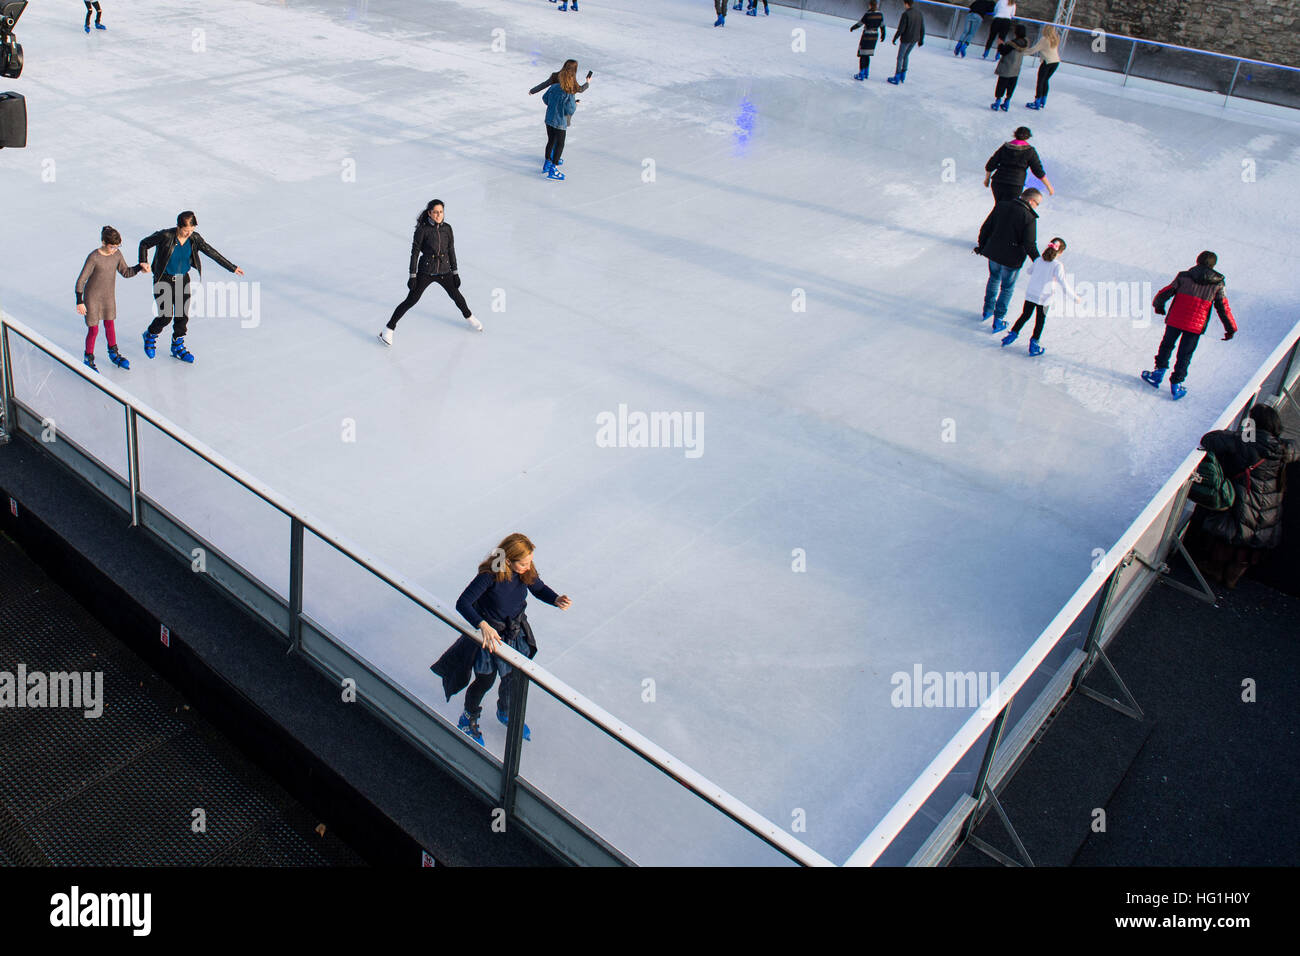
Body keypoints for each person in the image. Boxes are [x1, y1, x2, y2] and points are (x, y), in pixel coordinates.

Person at [430, 533, 572, 746]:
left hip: (513, 633)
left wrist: (555, 598)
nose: (528, 566)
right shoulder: (490, 576)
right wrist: (482, 625)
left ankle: (505, 712)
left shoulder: (525, 572)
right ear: (508, 560)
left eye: (530, 561)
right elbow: (463, 603)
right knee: (485, 680)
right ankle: (468, 718)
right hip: (490, 637)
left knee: (513, 675)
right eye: (523, 563)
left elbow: (538, 588)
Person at [1196, 404, 1298, 588]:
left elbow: (1210, 439)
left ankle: (1215, 569)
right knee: (1249, 549)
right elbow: (1294, 448)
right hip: (1269, 511)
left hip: (1244, 503)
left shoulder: (1244, 442)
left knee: (1229, 540)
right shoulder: (1284, 448)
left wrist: (1243, 433)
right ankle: (1231, 579)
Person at [138, 211, 243, 364]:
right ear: (178, 226)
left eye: (192, 229)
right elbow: (144, 243)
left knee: (182, 316)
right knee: (165, 316)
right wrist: (143, 262)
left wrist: (231, 267)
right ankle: (150, 335)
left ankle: (177, 346)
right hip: (163, 279)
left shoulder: (194, 238)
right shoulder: (165, 236)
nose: (189, 233)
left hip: (183, 280)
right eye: (186, 230)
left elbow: (211, 252)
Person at [380, 199, 481, 345]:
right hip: (426, 271)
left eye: (441, 212)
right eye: (435, 212)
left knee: (457, 297)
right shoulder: (422, 230)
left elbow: (451, 251)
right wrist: (412, 275)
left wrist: (455, 272)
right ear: (430, 213)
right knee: (411, 300)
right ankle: (388, 330)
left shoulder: (447, 228)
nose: (439, 215)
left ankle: (470, 318)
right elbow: (414, 253)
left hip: (444, 270)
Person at [1141, 251, 1236, 401]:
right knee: (1185, 354)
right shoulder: (1218, 284)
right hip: (1195, 326)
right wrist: (1230, 329)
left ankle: (1158, 373)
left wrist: (1158, 305)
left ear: (1197, 261)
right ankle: (1176, 384)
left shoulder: (1184, 276)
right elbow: (1223, 307)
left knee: (1166, 345)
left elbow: (1166, 292)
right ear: (1213, 265)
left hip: (1176, 319)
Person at [76, 226, 142, 372]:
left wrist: (139, 267)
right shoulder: (94, 257)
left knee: (110, 325)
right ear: (104, 242)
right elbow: (81, 280)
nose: (114, 250)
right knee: (93, 330)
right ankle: (88, 357)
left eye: (117, 247)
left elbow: (125, 272)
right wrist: (79, 301)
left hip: (108, 297)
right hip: (92, 298)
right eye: (112, 246)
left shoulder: (117, 254)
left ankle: (114, 353)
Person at [998, 237, 1081, 352]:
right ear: (1060, 252)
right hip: (1045, 299)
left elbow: (1029, 271)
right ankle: (1034, 345)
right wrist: (1075, 297)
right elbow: (1063, 283)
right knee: (1040, 320)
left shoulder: (1038, 260)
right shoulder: (1057, 265)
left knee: (1025, 315)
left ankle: (1011, 335)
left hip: (1031, 295)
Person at [974, 187, 1042, 327]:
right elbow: (1029, 244)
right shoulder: (1029, 218)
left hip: (993, 252)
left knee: (993, 279)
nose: (1037, 207)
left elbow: (986, 227)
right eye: (1037, 203)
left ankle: (987, 310)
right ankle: (998, 319)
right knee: (1007, 287)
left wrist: (981, 246)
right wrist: (1039, 262)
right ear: (1031, 200)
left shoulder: (1002, 205)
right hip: (1012, 259)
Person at [984, 126, 1054, 204]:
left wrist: (987, 179)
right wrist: (1048, 186)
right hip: (1015, 184)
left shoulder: (1005, 147)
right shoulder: (1030, 151)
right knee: (1009, 208)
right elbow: (1037, 170)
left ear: (1015, 134)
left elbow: (991, 164)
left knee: (999, 206)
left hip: (998, 181)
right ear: (1028, 137)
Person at [541, 63, 580, 180]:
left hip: (549, 119)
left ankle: (547, 162)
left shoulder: (554, 87)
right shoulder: (569, 93)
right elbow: (570, 109)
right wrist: (575, 104)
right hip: (560, 122)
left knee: (551, 141)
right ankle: (554, 167)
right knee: (560, 144)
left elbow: (545, 98)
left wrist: (553, 105)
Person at [991, 23, 1030, 111]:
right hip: (1016, 69)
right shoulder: (1025, 42)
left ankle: (997, 102)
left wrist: (1000, 44)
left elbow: (1003, 51)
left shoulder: (1011, 44)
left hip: (1007, 68)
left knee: (1001, 85)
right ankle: (1007, 102)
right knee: (1011, 86)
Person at [886, 0, 925, 86]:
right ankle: (903, 76)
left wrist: (895, 38)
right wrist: (921, 40)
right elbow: (922, 28)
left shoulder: (905, 14)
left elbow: (901, 28)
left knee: (900, 57)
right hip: (914, 39)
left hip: (906, 39)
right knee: (906, 56)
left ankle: (897, 77)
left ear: (906, 4)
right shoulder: (919, 13)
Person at [1024, 24, 1062, 109]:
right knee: (1045, 80)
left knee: (1040, 81)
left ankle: (1037, 101)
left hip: (1048, 62)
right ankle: (1042, 101)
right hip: (1055, 62)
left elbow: (1034, 50)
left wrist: (1022, 53)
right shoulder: (1054, 39)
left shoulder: (1044, 39)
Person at [850, 1, 887, 81]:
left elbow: (860, 23)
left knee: (863, 54)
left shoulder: (868, 14)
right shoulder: (880, 14)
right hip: (874, 36)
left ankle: (861, 74)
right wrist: (883, 35)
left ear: (870, 5)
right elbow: (882, 26)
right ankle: (866, 73)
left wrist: (853, 27)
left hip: (867, 36)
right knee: (868, 54)